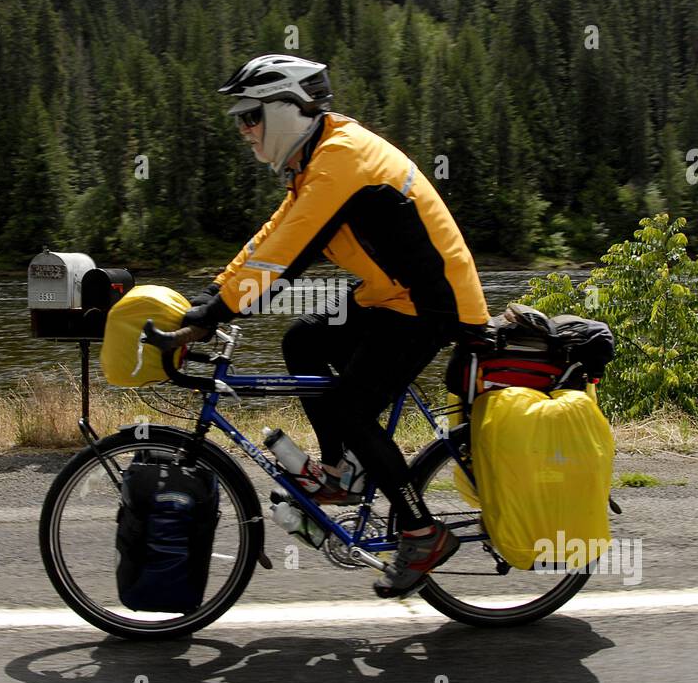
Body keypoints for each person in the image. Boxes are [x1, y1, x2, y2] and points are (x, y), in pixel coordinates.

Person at [183, 54, 491, 598]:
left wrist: (216, 316)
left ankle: (422, 532)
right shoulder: (314, 163)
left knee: (351, 407)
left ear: (287, 111)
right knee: (303, 340)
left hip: (431, 305)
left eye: (250, 116)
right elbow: (269, 239)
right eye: (239, 119)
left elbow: (287, 256)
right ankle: (341, 474)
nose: (243, 131)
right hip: (392, 296)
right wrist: (212, 296)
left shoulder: (341, 160)